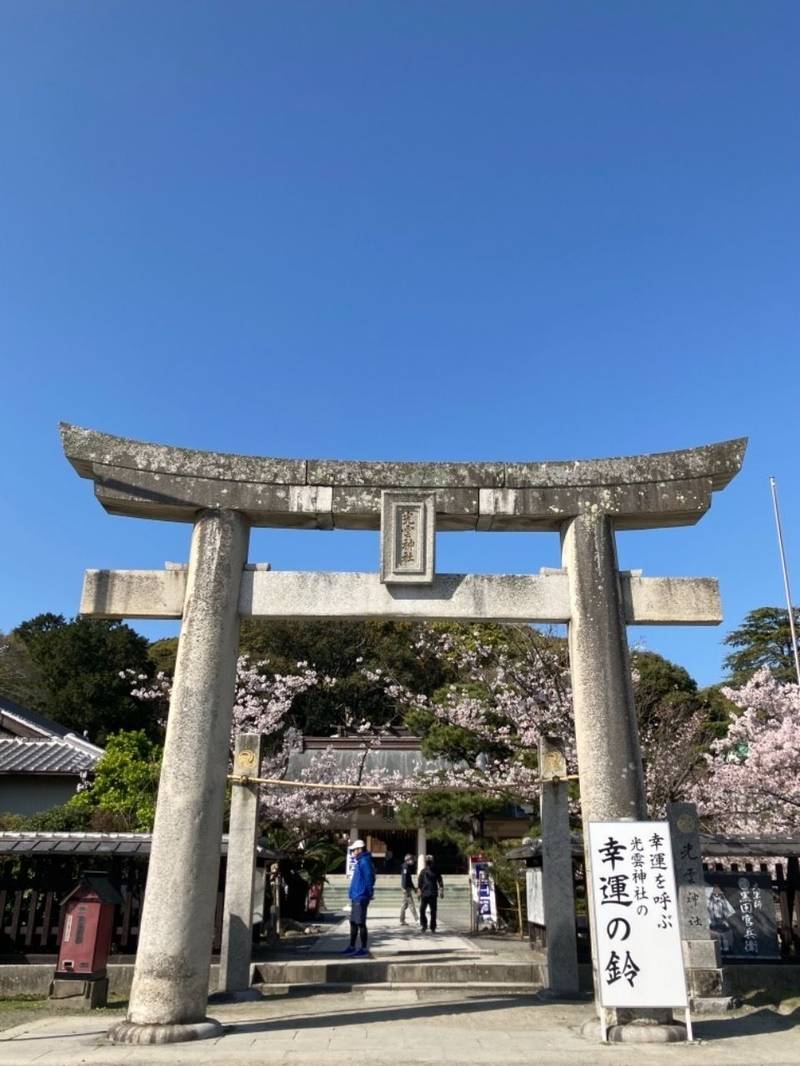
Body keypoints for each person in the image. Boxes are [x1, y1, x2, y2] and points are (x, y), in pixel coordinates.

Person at [343, 839, 375, 957]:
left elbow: (369, 878)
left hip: (361, 896)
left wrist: (369, 892)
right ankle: (352, 946)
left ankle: (363, 948)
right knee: (353, 922)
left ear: (360, 849)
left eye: (354, 849)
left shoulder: (364, 861)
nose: (352, 852)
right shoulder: (360, 861)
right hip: (356, 895)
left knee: (360, 922)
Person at [418, 854, 444, 933]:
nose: (429, 863)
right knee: (422, 910)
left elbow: (440, 881)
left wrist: (441, 890)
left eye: (430, 861)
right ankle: (424, 924)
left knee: (433, 911)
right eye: (428, 861)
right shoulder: (423, 871)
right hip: (425, 894)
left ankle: (433, 926)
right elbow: (419, 883)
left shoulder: (436, 870)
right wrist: (419, 892)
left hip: (433, 893)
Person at [399, 853, 418, 926]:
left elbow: (409, 880)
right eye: (411, 859)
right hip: (406, 889)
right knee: (411, 904)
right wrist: (404, 888)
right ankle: (417, 919)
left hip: (408, 888)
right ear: (407, 860)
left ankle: (401, 920)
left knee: (404, 905)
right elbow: (404, 879)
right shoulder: (405, 868)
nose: (413, 861)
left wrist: (414, 888)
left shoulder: (407, 867)